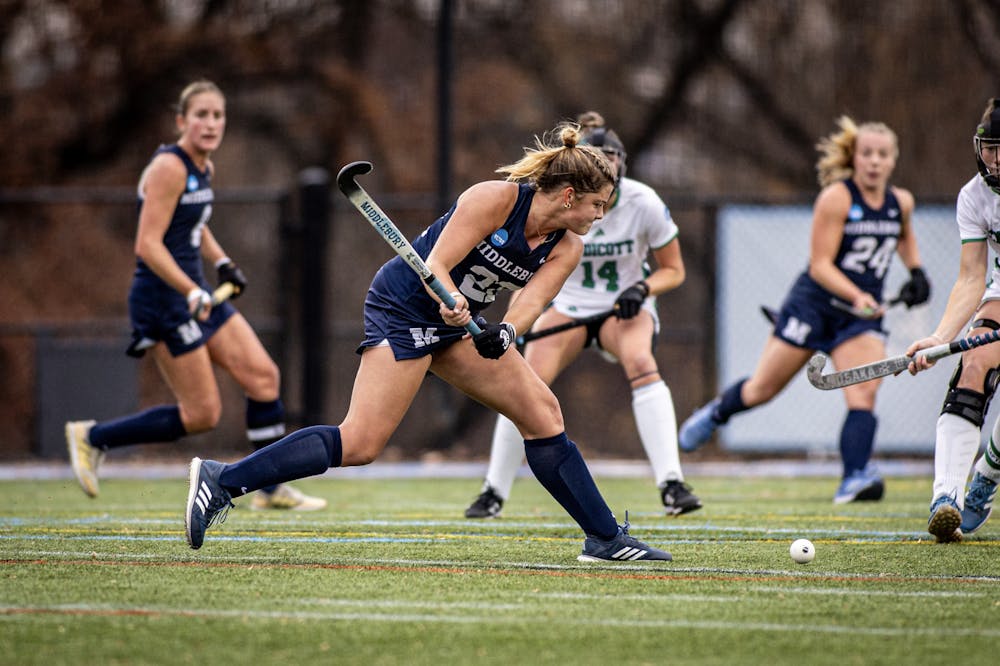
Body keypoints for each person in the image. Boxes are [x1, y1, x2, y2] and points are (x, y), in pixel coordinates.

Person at [185, 121, 674, 563]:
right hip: (404, 306)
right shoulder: (495, 199)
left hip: (458, 323)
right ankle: (221, 481)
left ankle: (605, 538)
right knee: (360, 443)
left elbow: (530, 302)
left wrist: (506, 332)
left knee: (543, 414)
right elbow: (435, 266)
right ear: (569, 195)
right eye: (596, 204)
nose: (600, 214)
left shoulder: (567, 246)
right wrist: (451, 299)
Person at [65, 80, 325, 511]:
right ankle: (92, 438)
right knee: (202, 414)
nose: (210, 124)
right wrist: (191, 289)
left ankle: (272, 489)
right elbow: (147, 244)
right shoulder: (170, 167)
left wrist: (222, 263)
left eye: (217, 115)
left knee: (263, 377)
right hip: (164, 300)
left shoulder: (205, 167)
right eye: (201, 115)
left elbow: (194, 223)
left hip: (196, 293)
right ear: (182, 121)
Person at [678, 115, 930, 504]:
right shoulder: (837, 199)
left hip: (857, 322)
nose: (875, 162)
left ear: (893, 159)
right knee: (763, 389)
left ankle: (854, 477)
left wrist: (916, 272)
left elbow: (904, 238)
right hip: (814, 307)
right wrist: (857, 295)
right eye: (867, 154)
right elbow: (820, 265)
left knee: (863, 391)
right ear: (855, 157)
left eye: (882, 154)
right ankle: (716, 413)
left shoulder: (902, 203)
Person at [463, 111, 700, 519]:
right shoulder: (553, 206)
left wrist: (642, 288)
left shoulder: (643, 202)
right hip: (565, 305)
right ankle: (493, 492)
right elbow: (528, 266)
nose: (608, 167)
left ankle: (672, 484)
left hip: (620, 309)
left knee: (642, 363)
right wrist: (512, 322)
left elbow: (674, 270)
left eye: (614, 157)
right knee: (524, 384)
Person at [906, 97, 1000, 543]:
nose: (997, 161)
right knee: (974, 362)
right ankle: (946, 497)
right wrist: (940, 337)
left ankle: (988, 472)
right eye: (991, 148)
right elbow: (971, 277)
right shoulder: (974, 196)